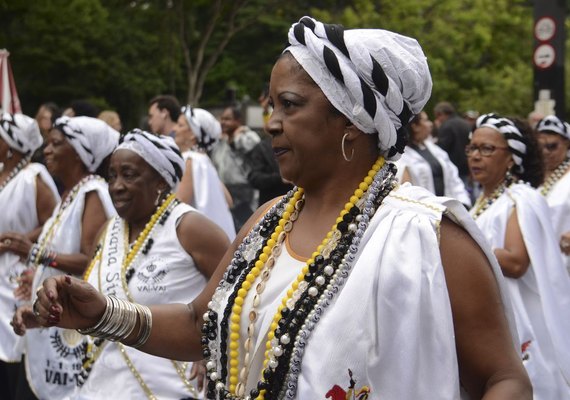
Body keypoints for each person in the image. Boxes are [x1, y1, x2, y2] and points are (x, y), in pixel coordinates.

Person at [34, 17, 531, 400]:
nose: (271, 123)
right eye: (271, 106)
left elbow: (505, 378)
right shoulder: (270, 220)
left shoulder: (426, 235)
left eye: (289, 105)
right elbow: (198, 326)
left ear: (352, 122)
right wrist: (102, 313)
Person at [71, 129, 230, 399]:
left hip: (170, 387)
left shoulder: (190, 227)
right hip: (103, 385)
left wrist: (211, 348)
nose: (117, 185)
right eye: (112, 175)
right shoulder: (108, 231)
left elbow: (237, 294)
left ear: (160, 181)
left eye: (129, 175)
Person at [9, 116, 118, 399]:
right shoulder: (71, 194)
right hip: (49, 322)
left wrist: (34, 253)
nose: (46, 150)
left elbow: (88, 260)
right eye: (47, 143)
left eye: (56, 144)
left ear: (81, 153)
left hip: (68, 328)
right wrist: (36, 276)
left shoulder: (92, 192)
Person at [467, 113, 570, 398]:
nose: (476, 156)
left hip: (522, 320)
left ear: (511, 158)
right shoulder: (481, 204)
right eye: (472, 148)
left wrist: (464, 249)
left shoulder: (518, 198)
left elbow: (515, 262)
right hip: (492, 317)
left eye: (487, 149)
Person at [0, 113, 59, 399]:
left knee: (11, 345)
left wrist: (20, 241)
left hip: (17, 274)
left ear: (12, 144)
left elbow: (55, 222)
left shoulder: (33, 177)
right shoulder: (2, 172)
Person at [174, 105, 236, 241]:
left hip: (200, 240)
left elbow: (178, 206)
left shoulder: (190, 160)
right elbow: (229, 201)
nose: (174, 129)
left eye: (180, 125)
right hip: (222, 236)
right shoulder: (204, 160)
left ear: (192, 134)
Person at [396, 111, 471, 206]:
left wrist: (463, 202)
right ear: (415, 126)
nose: (431, 124)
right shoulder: (401, 157)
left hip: (449, 211)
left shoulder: (435, 150)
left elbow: (453, 178)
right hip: (424, 212)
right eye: (426, 120)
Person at [210, 105, 260, 230]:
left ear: (238, 121)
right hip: (225, 194)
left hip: (245, 195)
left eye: (227, 119)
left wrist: (236, 139)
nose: (223, 122)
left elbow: (255, 148)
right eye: (222, 119)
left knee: (246, 232)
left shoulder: (248, 136)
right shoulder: (221, 141)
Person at [535, 115, 570, 274]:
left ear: (566, 144)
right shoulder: (531, 176)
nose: (545, 152)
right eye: (540, 147)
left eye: (552, 146)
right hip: (536, 266)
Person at [433, 102, 472, 183]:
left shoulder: (446, 125)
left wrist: (439, 129)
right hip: (466, 167)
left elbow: (441, 149)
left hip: (452, 169)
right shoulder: (465, 123)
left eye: (437, 116)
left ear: (440, 114)